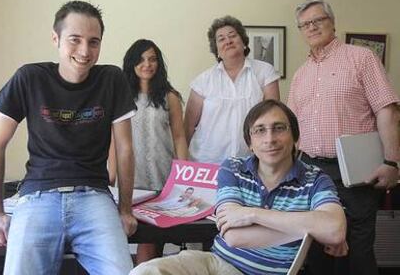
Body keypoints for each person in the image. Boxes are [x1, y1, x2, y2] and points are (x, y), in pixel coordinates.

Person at [0, 0, 136, 274]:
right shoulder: (29, 77)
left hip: (95, 197)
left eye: (94, 42)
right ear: (56, 39)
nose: (84, 51)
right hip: (37, 197)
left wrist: (125, 209)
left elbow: (125, 149)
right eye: (75, 40)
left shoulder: (112, 79)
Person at [129, 100, 347, 275]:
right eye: (260, 130)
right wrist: (307, 228)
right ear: (250, 143)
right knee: (147, 271)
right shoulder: (233, 168)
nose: (270, 139)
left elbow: (334, 230)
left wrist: (251, 214)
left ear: (295, 138)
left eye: (279, 128)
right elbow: (233, 236)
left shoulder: (315, 179)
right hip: (215, 264)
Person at [288, 0, 400, 275]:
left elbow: (386, 109)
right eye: (305, 24)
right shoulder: (301, 75)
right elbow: (292, 128)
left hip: (354, 172)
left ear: (332, 23)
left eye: (318, 20)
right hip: (310, 172)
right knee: (316, 251)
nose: (312, 27)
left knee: (358, 251)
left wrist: (392, 162)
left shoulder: (361, 58)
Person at [108, 39, 188, 264]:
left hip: (163, 176)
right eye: (141, 59)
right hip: (131, 178)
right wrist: (110, 177)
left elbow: (179, 137)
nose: (147, 64)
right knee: (125, 235)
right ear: (132, 63)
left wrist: (186, 177)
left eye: (153, 59)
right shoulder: (120, 96)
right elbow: (113, 141)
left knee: (152, 240)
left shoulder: (169, 97)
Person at [184, 15, 280, 165]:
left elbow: (273, 117)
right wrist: (182, 165)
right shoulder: (203, 81)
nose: (228, 41)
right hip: (207, 162)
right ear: (216, 50)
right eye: (221, 39)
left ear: (243, 42)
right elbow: (188, 126)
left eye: (232, 36)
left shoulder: (264, 72)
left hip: (251, 162)